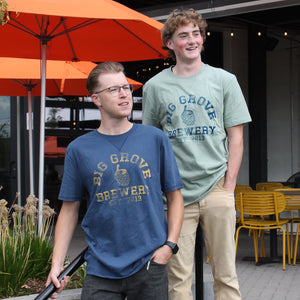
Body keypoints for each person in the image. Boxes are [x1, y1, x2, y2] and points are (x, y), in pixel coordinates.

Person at [46, 61, 184, 300]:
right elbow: (69, 210)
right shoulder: (79, 149)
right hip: (101, 267)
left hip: (150, 264)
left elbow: (175, 197)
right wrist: (57, 264)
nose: (124, 94)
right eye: (113, 89)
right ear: (96, 99)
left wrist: (169, 246)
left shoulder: (155, 139)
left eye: (126, 87)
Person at [142, 8, 252, 300]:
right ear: (170, 43)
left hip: (217, 187)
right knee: (178, 279)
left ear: (203, 39)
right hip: (175, 194)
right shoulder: (155, 87)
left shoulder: (224, 80)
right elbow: (150, 142)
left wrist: (229, 185)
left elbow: (236, 137)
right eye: (183, 35)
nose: (192, 40)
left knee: (226, 274)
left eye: (196, 34)